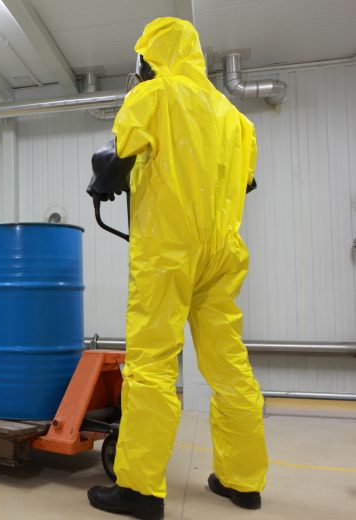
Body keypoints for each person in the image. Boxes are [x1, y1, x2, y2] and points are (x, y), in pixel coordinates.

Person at [85, 17, 267, 519]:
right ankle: (242, 480)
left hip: (168, 251)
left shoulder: (154, 96)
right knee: (228, 364)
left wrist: (103, 181)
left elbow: (117, 155)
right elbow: (245, 183)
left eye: (141, 60)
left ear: (151, 58)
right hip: (222, 253)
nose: (138, 69)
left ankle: (141, 489)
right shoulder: (236, 119)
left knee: (151, 364)